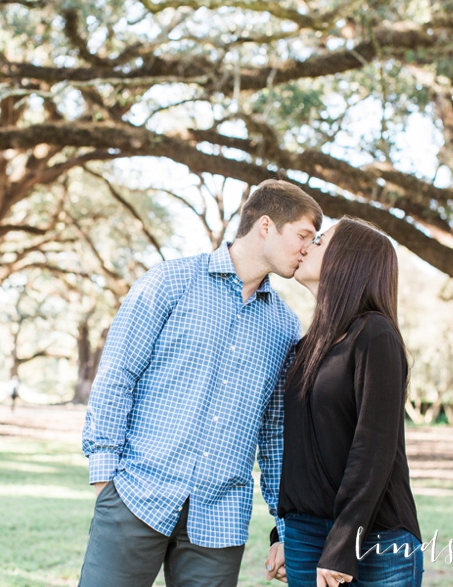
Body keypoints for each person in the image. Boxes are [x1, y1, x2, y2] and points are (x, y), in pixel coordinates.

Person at [79, 179, 322, 587]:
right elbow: (117, 375)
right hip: (136, 496)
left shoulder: (284, 326)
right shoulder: (170, 282)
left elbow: (276, 436)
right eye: (303, 235)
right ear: (266, 226)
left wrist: (284, 527)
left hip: (219, 521)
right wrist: (106, 480)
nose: (307, 249)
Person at [266, 217, 423, 587]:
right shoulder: (306, 347)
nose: (307, 246)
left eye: (319, 242)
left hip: (376, 538)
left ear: (347, 261)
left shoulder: (375, 335)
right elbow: (296, 448)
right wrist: (283, 533)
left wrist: (342, 544)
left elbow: (373, 449)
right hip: (305, 534)